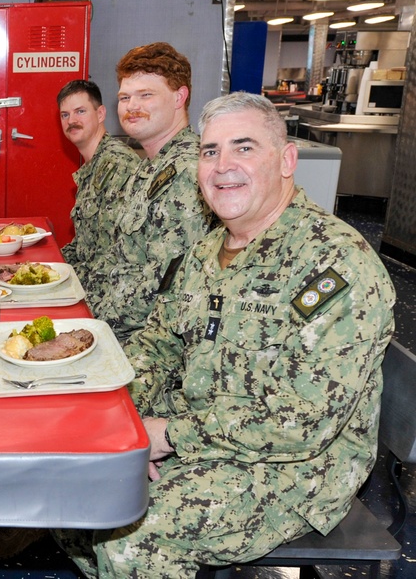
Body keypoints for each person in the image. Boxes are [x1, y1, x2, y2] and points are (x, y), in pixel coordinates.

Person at [54, 92, 396, 577]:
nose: (222, 166)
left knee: (132, 532)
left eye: (245, 148)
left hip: (295, 469)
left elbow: (301, 422)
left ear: (286, 160)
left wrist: (169, 436)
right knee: (75, 483)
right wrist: (125, 429)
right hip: (203, 431)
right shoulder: (205, 252)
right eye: (210, 151)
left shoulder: (334, 265)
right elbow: (157, 347)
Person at [85, 42, 214, 341]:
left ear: (179, 97)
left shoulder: (188, 173)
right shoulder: (150, 167)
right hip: (114, 321)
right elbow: (121, 260)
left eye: (146, 95)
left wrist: (93, 324)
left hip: (146, 345)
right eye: (125, 97)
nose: (131, 106)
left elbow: (169, 287)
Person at [57, 79, 140, 290]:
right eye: (65, 115)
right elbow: (85, 246)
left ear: (101, 114)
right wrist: (49, 266)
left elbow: (114, 256)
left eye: (80, 111)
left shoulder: (117, 165)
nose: (71, 121)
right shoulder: (94, 166)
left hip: (108, 291)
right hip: (92, 279)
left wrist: (66, 286)